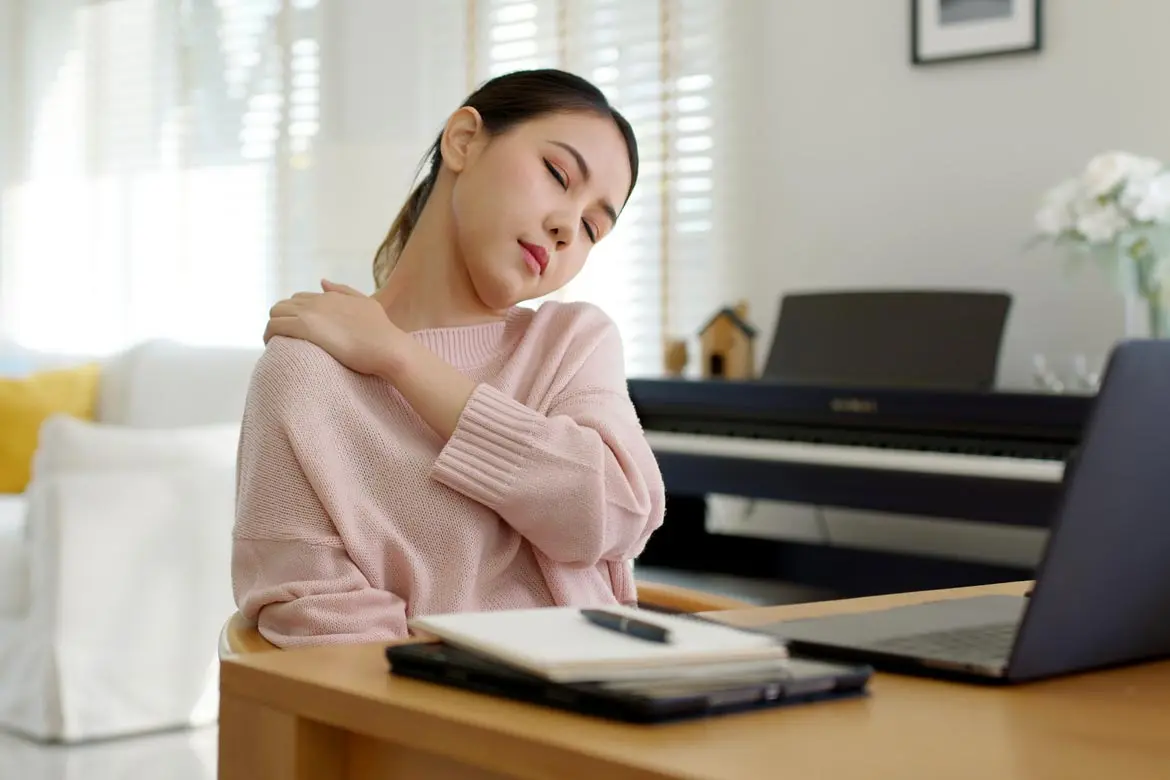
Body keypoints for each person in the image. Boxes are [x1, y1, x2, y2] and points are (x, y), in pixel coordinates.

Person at [231, 68, 667, 647]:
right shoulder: (306, 372)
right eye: (558, 174)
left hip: (610, 701)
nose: (566, 228)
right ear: (463, 140)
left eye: (592, 227)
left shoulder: (574, 342)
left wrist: (399, 360)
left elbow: (612, 516)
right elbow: (324, 626)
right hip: (432, 724)